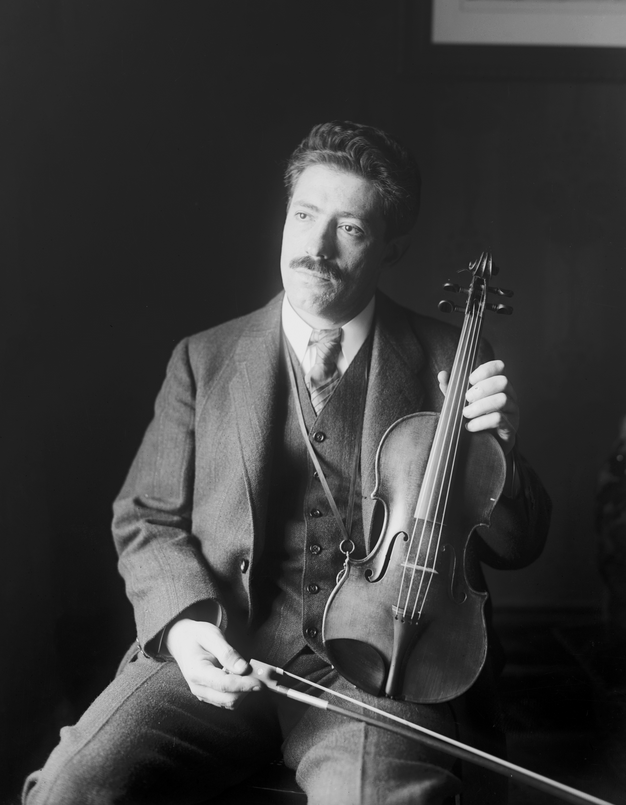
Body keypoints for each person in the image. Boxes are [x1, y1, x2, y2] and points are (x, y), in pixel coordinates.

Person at [23, 121, 551, 805]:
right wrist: (183, 625)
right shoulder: (203, 358)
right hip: (223, 650)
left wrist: (499, 451)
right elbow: (144, 513)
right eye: (304, 215)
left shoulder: (453, 357)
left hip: (381, 668)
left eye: (349, 228)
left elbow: (516, 545)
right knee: (74, 785)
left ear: (392, 247)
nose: (316, 247)